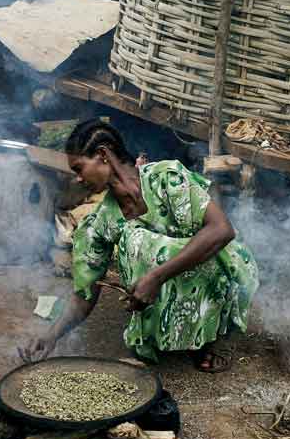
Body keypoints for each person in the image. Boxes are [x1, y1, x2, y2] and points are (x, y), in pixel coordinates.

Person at [21, 119, 259, 371]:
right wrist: (51, 335)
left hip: (212, 270)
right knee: (135, 241)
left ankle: (201, 339)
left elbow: (222, 230)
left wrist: (156, 277)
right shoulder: (100, 223)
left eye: (79, 168)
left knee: (150, 243)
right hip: (161, 290)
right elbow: (84, 294)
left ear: (103, 155)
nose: (78, 179)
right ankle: (162, 327)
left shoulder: (166, 178)